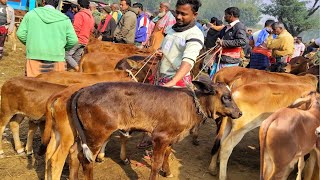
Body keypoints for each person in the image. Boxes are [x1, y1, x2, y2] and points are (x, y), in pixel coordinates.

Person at [138, 0, 204, 149]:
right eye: (177, 12)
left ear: (195, 14)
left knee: (167, 122)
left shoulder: (195, 34)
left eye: (184, 14)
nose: (179, 17)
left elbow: (188, 61)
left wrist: (172, 82)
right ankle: (151, 141)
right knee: (153, 113)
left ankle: (160, 155)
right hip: (161, 77)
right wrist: (162, 54)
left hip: (176, 84)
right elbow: (167, 48)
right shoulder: (173, 29)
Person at [16, 0, 78, 77]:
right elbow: (73, 40)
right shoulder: (65, 19)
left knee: (33, 85)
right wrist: (63, 48)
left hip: (35, 57)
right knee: (54, 86)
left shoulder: (31, 15)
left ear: (43, 1)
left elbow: (20, 34)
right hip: (57, 58)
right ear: (58, 3)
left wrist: (31, 44)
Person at [210, 7, 248, 77]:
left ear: (231, 15)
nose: (224, 17)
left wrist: (223, 42)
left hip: (229, 61)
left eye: (226, 15)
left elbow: (242, 41)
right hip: (220, 58)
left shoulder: (239, 27)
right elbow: (219, 37)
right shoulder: (226, 27)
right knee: (214, 79)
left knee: (221, 83)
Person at [65, 0, 94, 71]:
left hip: (78, 39)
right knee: (76, 57)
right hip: (85, 40)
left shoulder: (79, 15)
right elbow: (91, 30)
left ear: (79, 5)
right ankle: (75, 72)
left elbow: (76, 29)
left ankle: (77, 70)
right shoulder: (91, 16)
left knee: (66, 55)